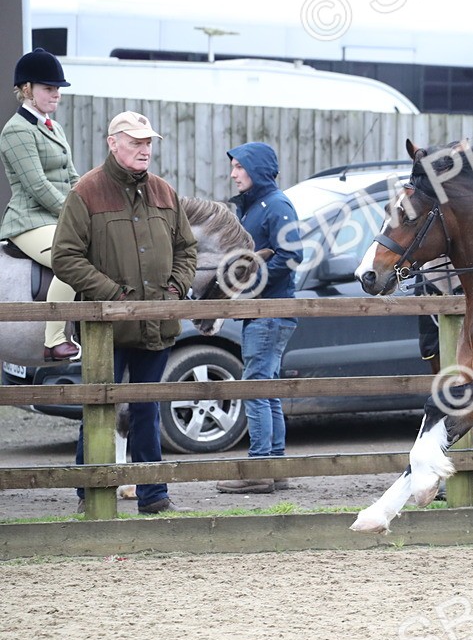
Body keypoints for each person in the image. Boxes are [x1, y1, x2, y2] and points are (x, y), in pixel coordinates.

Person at [52, 110, 197, 514]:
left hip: (157, 322)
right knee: (98, 408)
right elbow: (65, 256)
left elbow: (187, 248)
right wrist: (113, 295)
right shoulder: (86, 193)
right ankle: (90, 495)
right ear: (112, 143)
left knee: (148, 409)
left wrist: (175, 288)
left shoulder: (165, 192)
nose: (144, 149)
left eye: (148, 142)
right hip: (106, 328)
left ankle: (154, 496)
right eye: (135, 142)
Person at [216, 142, 302, 495]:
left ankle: (258, 468)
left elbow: (291, 256)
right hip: (265, 312)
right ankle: (275, 467)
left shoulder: (276, 206)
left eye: (240, 167)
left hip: (270, 312)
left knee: (255, 388)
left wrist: (250, 283)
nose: (234, 174)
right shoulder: (256, 208)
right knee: (267, 389)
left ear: (258, 169)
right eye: (233, 167)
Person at [0, 48, 81, 361]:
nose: (56, 94)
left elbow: (72, 177)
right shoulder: (16, 130)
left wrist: (91, 207)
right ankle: (55, 339)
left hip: (58, 218)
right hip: (29, 221)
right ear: (26, 90)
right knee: (71, 260)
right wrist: (76, 217)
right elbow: (37, 186)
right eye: (49, 88)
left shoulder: (53, 127)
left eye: (58, 89)